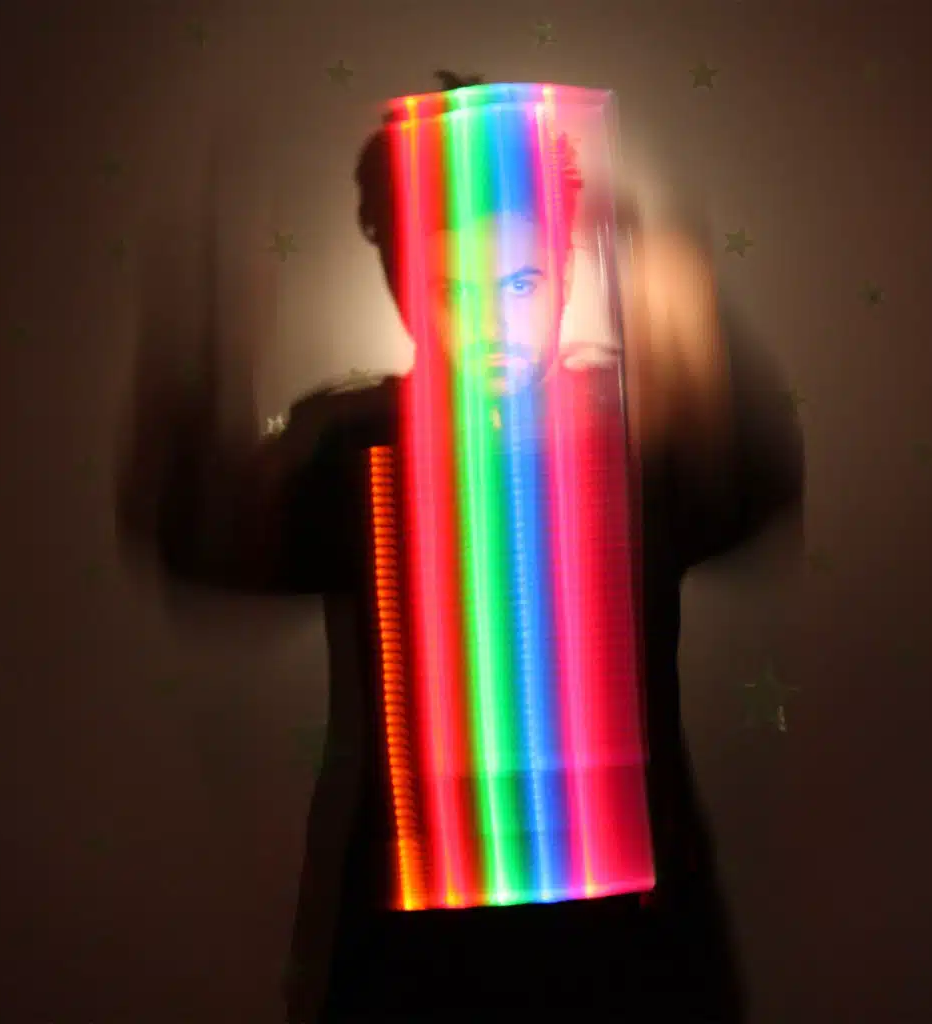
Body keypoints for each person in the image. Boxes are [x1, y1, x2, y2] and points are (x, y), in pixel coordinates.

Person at [117, 71, 804, 1023]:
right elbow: (206, 550)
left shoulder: (631, 442)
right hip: (419, 957)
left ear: (567, 268)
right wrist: (207, 353)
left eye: (521, 283)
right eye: (452, 289)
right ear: (400, 283)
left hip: (633, 949)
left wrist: (700, 328)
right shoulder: (357, 445)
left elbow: (751, 502)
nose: (489, 324)